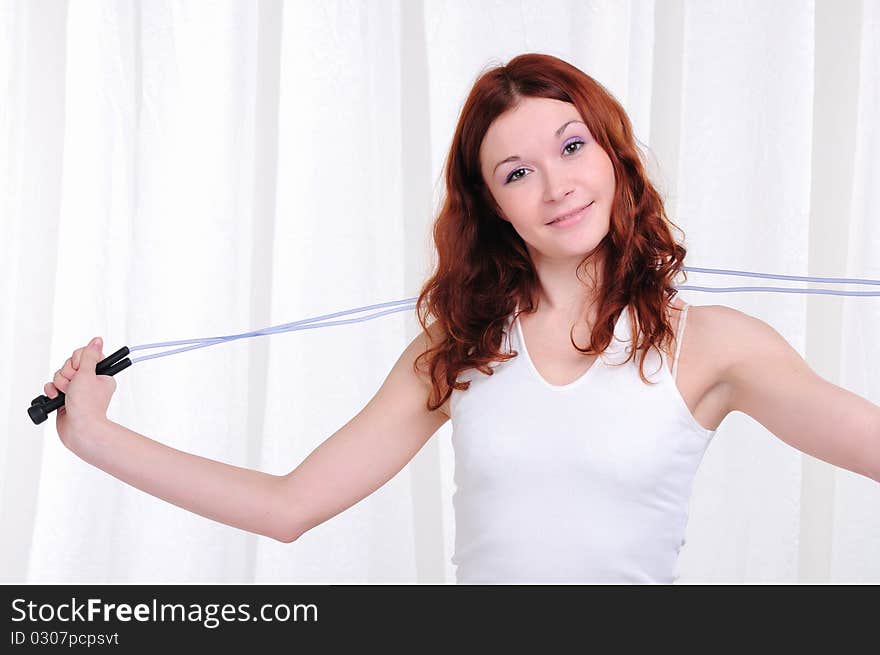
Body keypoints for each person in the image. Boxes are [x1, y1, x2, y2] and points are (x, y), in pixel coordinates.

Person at [45, 53, 880, 583]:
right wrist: (95, 437)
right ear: (491, 206)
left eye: (573, 146)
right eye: (518, 171)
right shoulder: (459, 352)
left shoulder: (714, 345)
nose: (557, 185)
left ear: (615, 156)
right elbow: (288, 507)